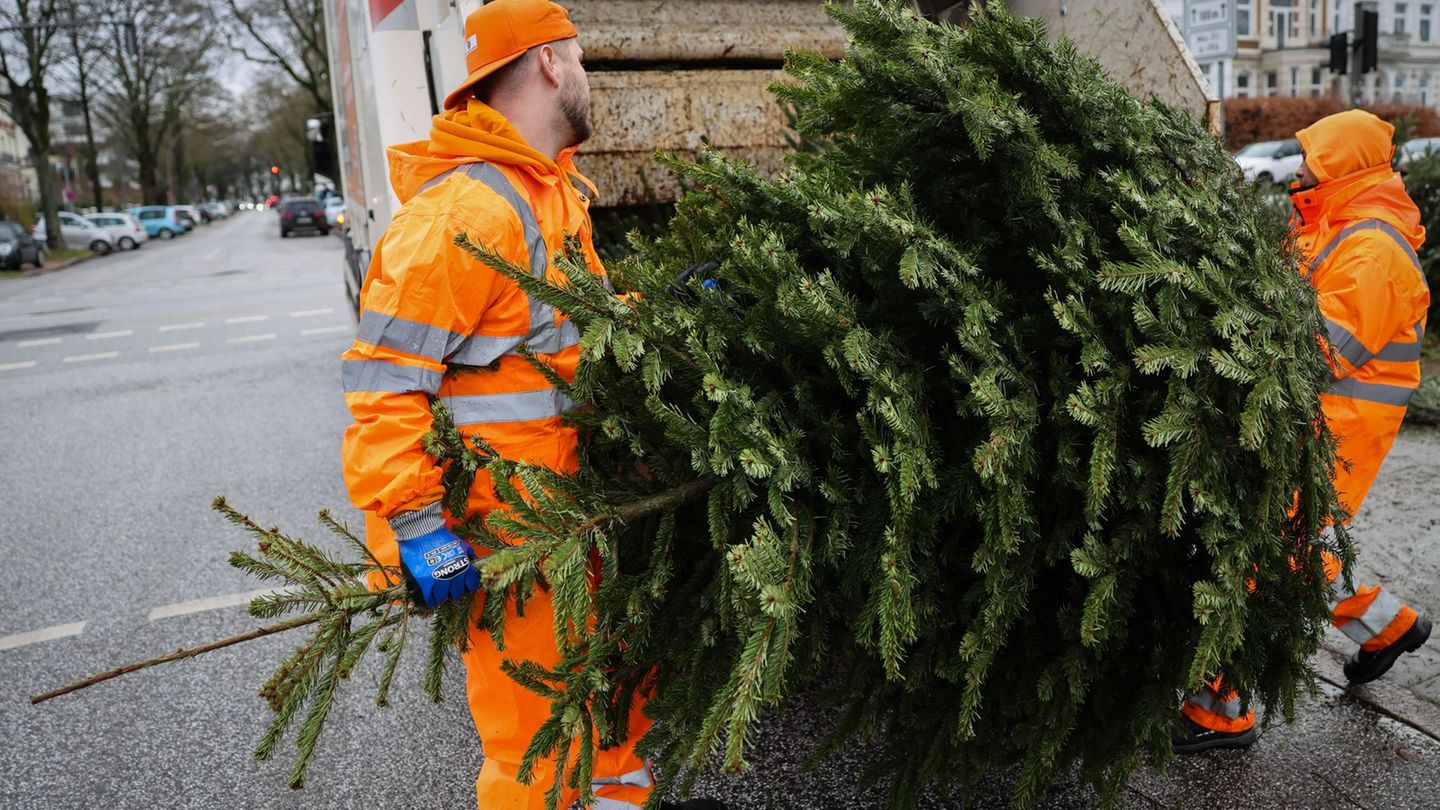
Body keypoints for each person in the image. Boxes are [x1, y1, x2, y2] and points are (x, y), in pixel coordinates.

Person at [339, 2, 726, 807]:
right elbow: (385, 381)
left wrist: (666, 311)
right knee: (538, 752)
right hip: (513, 535)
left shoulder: (545, 194)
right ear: (548, 63)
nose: (585, 74)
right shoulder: (466, 213)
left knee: (613, 721)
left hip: (574, 512)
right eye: (578, 58)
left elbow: (563, 331)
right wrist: (416, 524)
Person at [1174, 109, 1432, 754]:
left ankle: (1219, 709)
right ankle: (1388, 628)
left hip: (1338, 430)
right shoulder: (1330, 226)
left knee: (1261, 554)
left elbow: (1321, 350)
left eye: (1315, 159)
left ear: (1343, 167)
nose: (1301, 169)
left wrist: (1232, 343)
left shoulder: (1374, 251)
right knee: (1290, 550)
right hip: (1307, 420)